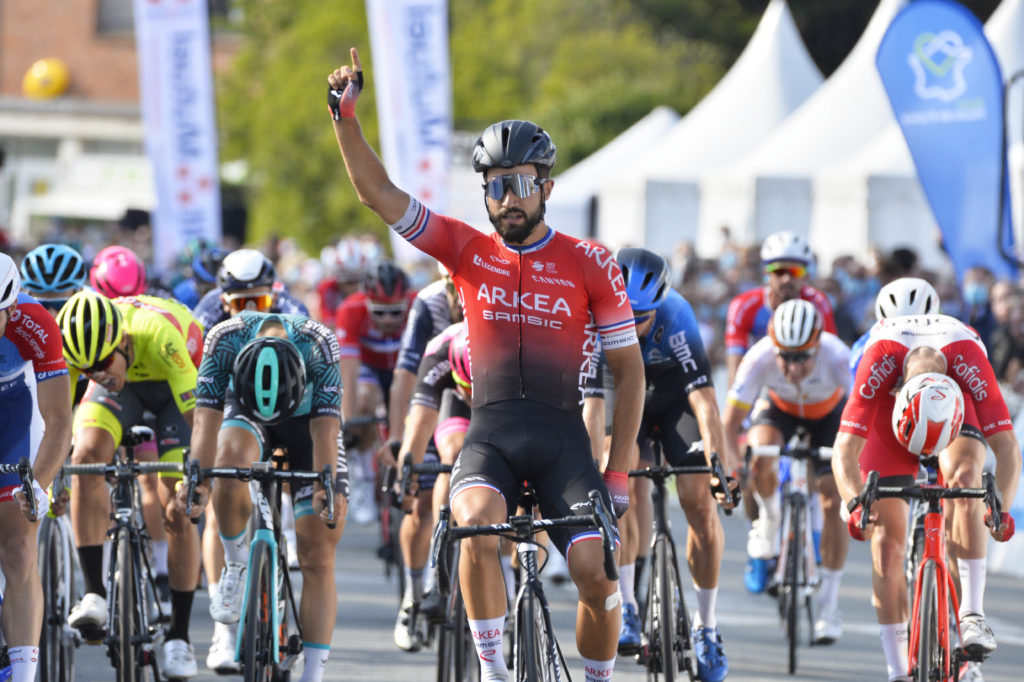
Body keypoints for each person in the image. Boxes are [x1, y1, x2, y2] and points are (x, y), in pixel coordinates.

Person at [328, 49, 645, 682]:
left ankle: (598, 675)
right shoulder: (464, 249)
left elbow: (629, 372)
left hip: (563, 441)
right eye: (495, 186)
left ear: (547, 187)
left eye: (522, 183)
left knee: (597, 574)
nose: (508, 198)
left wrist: (620, 472)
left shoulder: (591, 262)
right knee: (472, 527)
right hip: (490, 433)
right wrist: (345, 117)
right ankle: (495, 670)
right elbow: (377, 194)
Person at [833, 314, 1021, 682]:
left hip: (957, 397)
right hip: (890, 407)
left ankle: (971, 615)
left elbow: (1009, 449)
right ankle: (897, 670)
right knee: (886, 542)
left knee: (966, 477)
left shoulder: (968, 357)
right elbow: (843, 451)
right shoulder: (879, 359)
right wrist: (856, 505)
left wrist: (1002, 508)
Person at [176, 312, 346, 682]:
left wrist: (326, 487)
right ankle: (236, 565)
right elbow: (206, 421)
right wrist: (199, 482)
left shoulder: (319, 345)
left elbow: (327, 432)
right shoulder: (225, 339)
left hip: (307, 422)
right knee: (227, 462)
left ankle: (312, 674)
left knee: (318, 551)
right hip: (245, 412)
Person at [602, 247, 735, 681]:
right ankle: (628, 606)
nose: (632, 324)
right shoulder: (598, 314)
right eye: (625, 313)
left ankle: (706, 626)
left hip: (673, 398)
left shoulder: (677, 314)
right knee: (621, 483)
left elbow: (705, 401)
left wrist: (719, 461)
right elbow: (590, 406)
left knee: (699, 502)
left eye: (642, 316)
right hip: (623, 395)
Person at [58, 291, 204, 678]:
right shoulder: (85, 357)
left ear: (121, 341)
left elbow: (200, 420)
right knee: (85, 457)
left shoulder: (157, 333)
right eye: (86, 369)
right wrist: (56, 476)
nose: (97, 373)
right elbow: (57, 419)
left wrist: (199, 476)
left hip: (177, 387)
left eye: (103, 361)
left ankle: (179, 637)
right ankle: (95, 593)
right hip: (127, 393)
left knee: (177, 503)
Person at [721, 299, 852, 642]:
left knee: (832, 493)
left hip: (830, 413)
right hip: (779, 409)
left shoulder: (838, 357)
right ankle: (769, 520)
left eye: (802, 357)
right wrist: (733, 469)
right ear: (773, 347)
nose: (793, 367)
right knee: (761, 456)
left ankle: (829, 604)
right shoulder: (759, 357)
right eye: (786, 357)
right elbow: (730, 423)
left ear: (818, 346)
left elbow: (864, 420)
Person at [723, 230, 837, 587]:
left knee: (823, 468)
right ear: (766, 274)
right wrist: (742, 425)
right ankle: (760, 530)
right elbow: (736, 367)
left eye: (797, 271)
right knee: (757, 462)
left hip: (810, 388)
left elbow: (828, 355)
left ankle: (813, 533)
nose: (787, 279)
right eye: (779, 270)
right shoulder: (745, 306)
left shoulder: (818, 304)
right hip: (763, 386)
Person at [0, 252, 73, 682]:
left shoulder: (35, 323)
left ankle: (24, 676)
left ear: (10, 309)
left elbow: (60, 420)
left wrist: (38, 486)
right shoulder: (9, 313)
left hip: (16, 406)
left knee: (19, 545)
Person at [391, 322, 472, 651]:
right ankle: (420, 587)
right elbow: (420, 420)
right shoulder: (440, 347)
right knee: (450, 456)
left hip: (504, 396)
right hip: (450, 399)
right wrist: (405, 473)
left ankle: (510, 583)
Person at [335, 258, 416, 524]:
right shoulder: (351, 309)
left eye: (396, 312)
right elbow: (348, 370)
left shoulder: (419, 304)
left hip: (405, 367)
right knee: (363, 399)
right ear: (367, 302)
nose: (389, 320)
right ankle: (362, 478)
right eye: (380, 313)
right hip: (370, 367)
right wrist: (350, 422)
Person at [193, 248, 309, 332]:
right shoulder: (207, 309)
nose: (251, 312)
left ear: (273, 298)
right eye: (240, 303)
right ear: (224, 302)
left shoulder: (292, 307)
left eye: (260, 301)